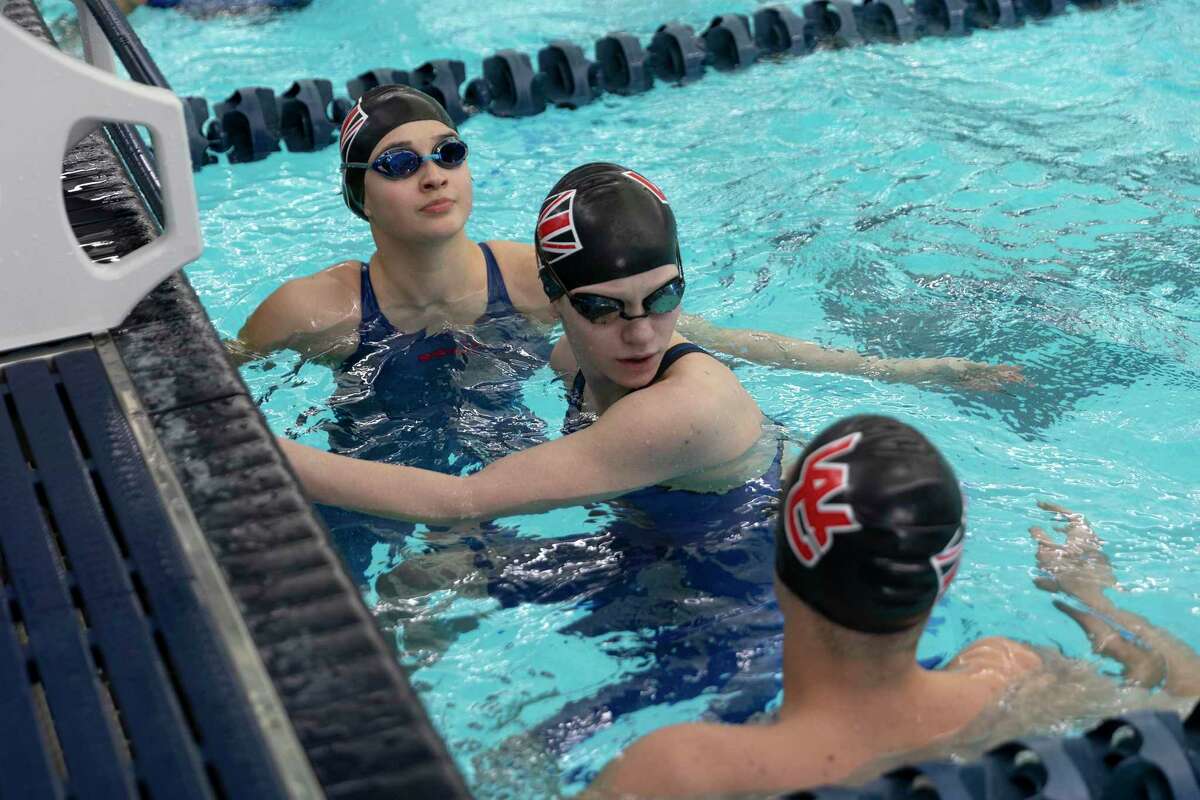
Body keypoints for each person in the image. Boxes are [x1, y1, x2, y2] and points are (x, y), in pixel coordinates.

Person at [585, 415, 1200, 799]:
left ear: (778, 559)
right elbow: (1178, 703)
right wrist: (1090, 598)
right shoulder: (1014, 679)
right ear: (944, 579)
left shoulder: (683, 774)